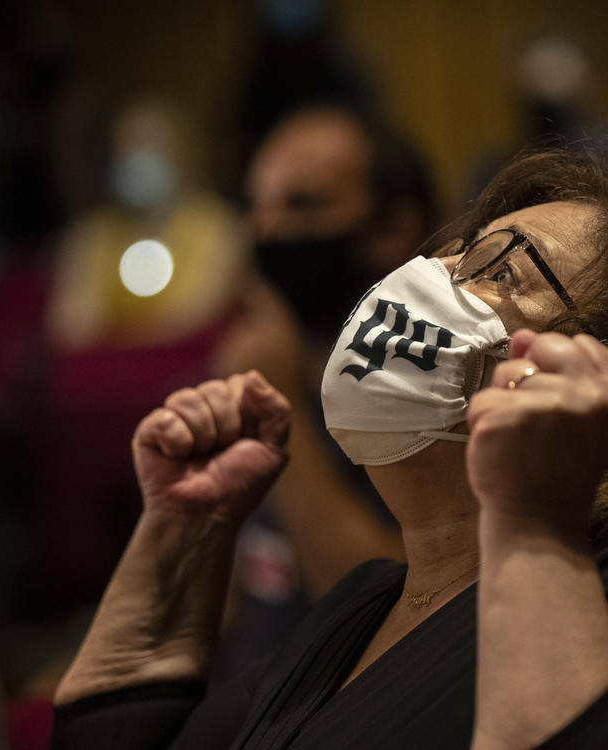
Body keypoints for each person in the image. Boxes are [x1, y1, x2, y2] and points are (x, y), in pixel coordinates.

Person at [49, 150, 608, 748]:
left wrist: (529, 523)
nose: (428, 277)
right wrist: (182, 529)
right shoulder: (367, 602)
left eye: (500, 268)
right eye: (453, 254)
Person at [209, 103, 435, 674]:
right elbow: (221, 606)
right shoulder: (256, 358)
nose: (266, 232)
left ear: (394, 229)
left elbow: (396, 617)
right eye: (256, 206)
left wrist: (278, 416)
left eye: (302, 205)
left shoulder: (434, 395)